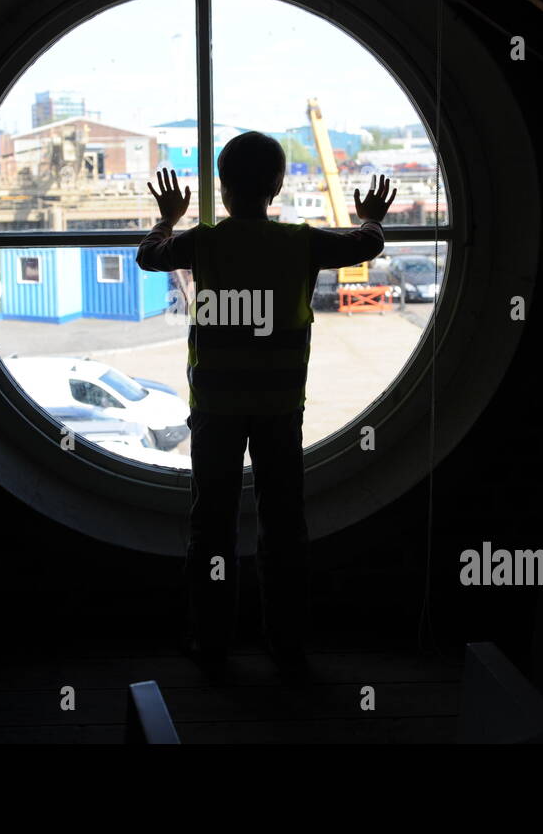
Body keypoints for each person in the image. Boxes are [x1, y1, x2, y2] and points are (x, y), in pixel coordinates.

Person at [137, 131, 395, 684]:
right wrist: (371, 217)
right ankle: (287, 642)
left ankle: (210, 642)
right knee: (283, 526)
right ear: (278, 186)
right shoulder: (300, 243)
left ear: (223, 189)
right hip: (280, 407)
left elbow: (148, 256)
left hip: (215, 409)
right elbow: (364, 247)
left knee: (211, 526)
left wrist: (168, 217)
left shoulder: (203, 244)